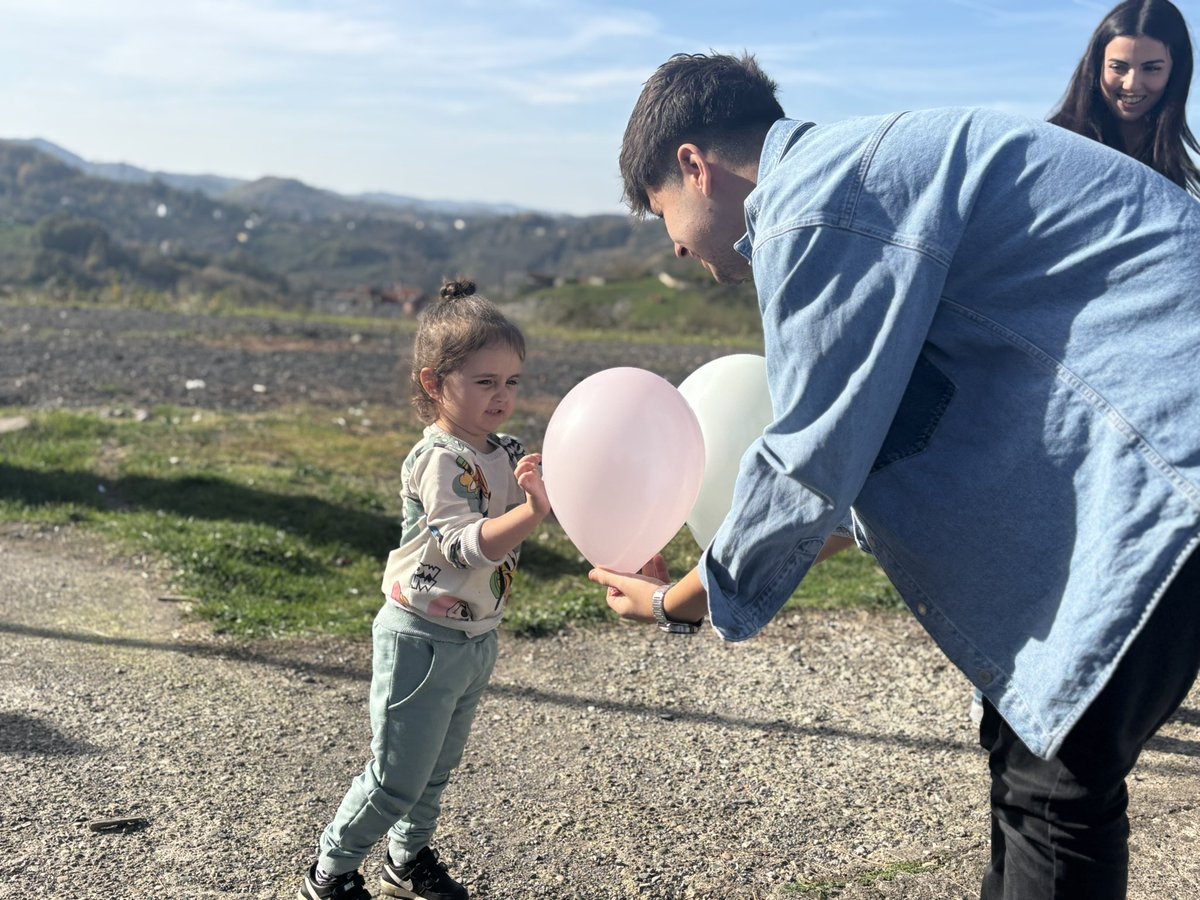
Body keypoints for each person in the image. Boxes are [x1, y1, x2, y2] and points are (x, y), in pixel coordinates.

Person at [593, 52, 1200, 899]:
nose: (679, 248)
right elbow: (870, 460)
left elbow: (808, 464)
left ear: (693, 165)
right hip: (1161, 454)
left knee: (1057, 785)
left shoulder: (812, 204)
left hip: (1168, 465)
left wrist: (677, 601)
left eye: (665, 215)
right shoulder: (869, 179)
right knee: (1028, 749)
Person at [298, 279, 550, 900]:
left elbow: (558, 503)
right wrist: (533, 511)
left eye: (512, 381)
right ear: (435, 383)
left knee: (435, 771)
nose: (502, 396)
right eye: (485, 381)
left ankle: (405, 861)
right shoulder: (440, 458)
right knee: (394, 780)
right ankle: (330, 874)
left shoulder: (506, 451)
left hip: (474, 637)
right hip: (421, 638)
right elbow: (467, 545)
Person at [1049, 0, 1200, 194]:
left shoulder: (1168, 161)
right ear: (1097, 66)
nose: (1131, 84)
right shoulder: (1055, 148)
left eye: (1152, 68)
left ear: (1175, 72)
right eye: (1118, 67)